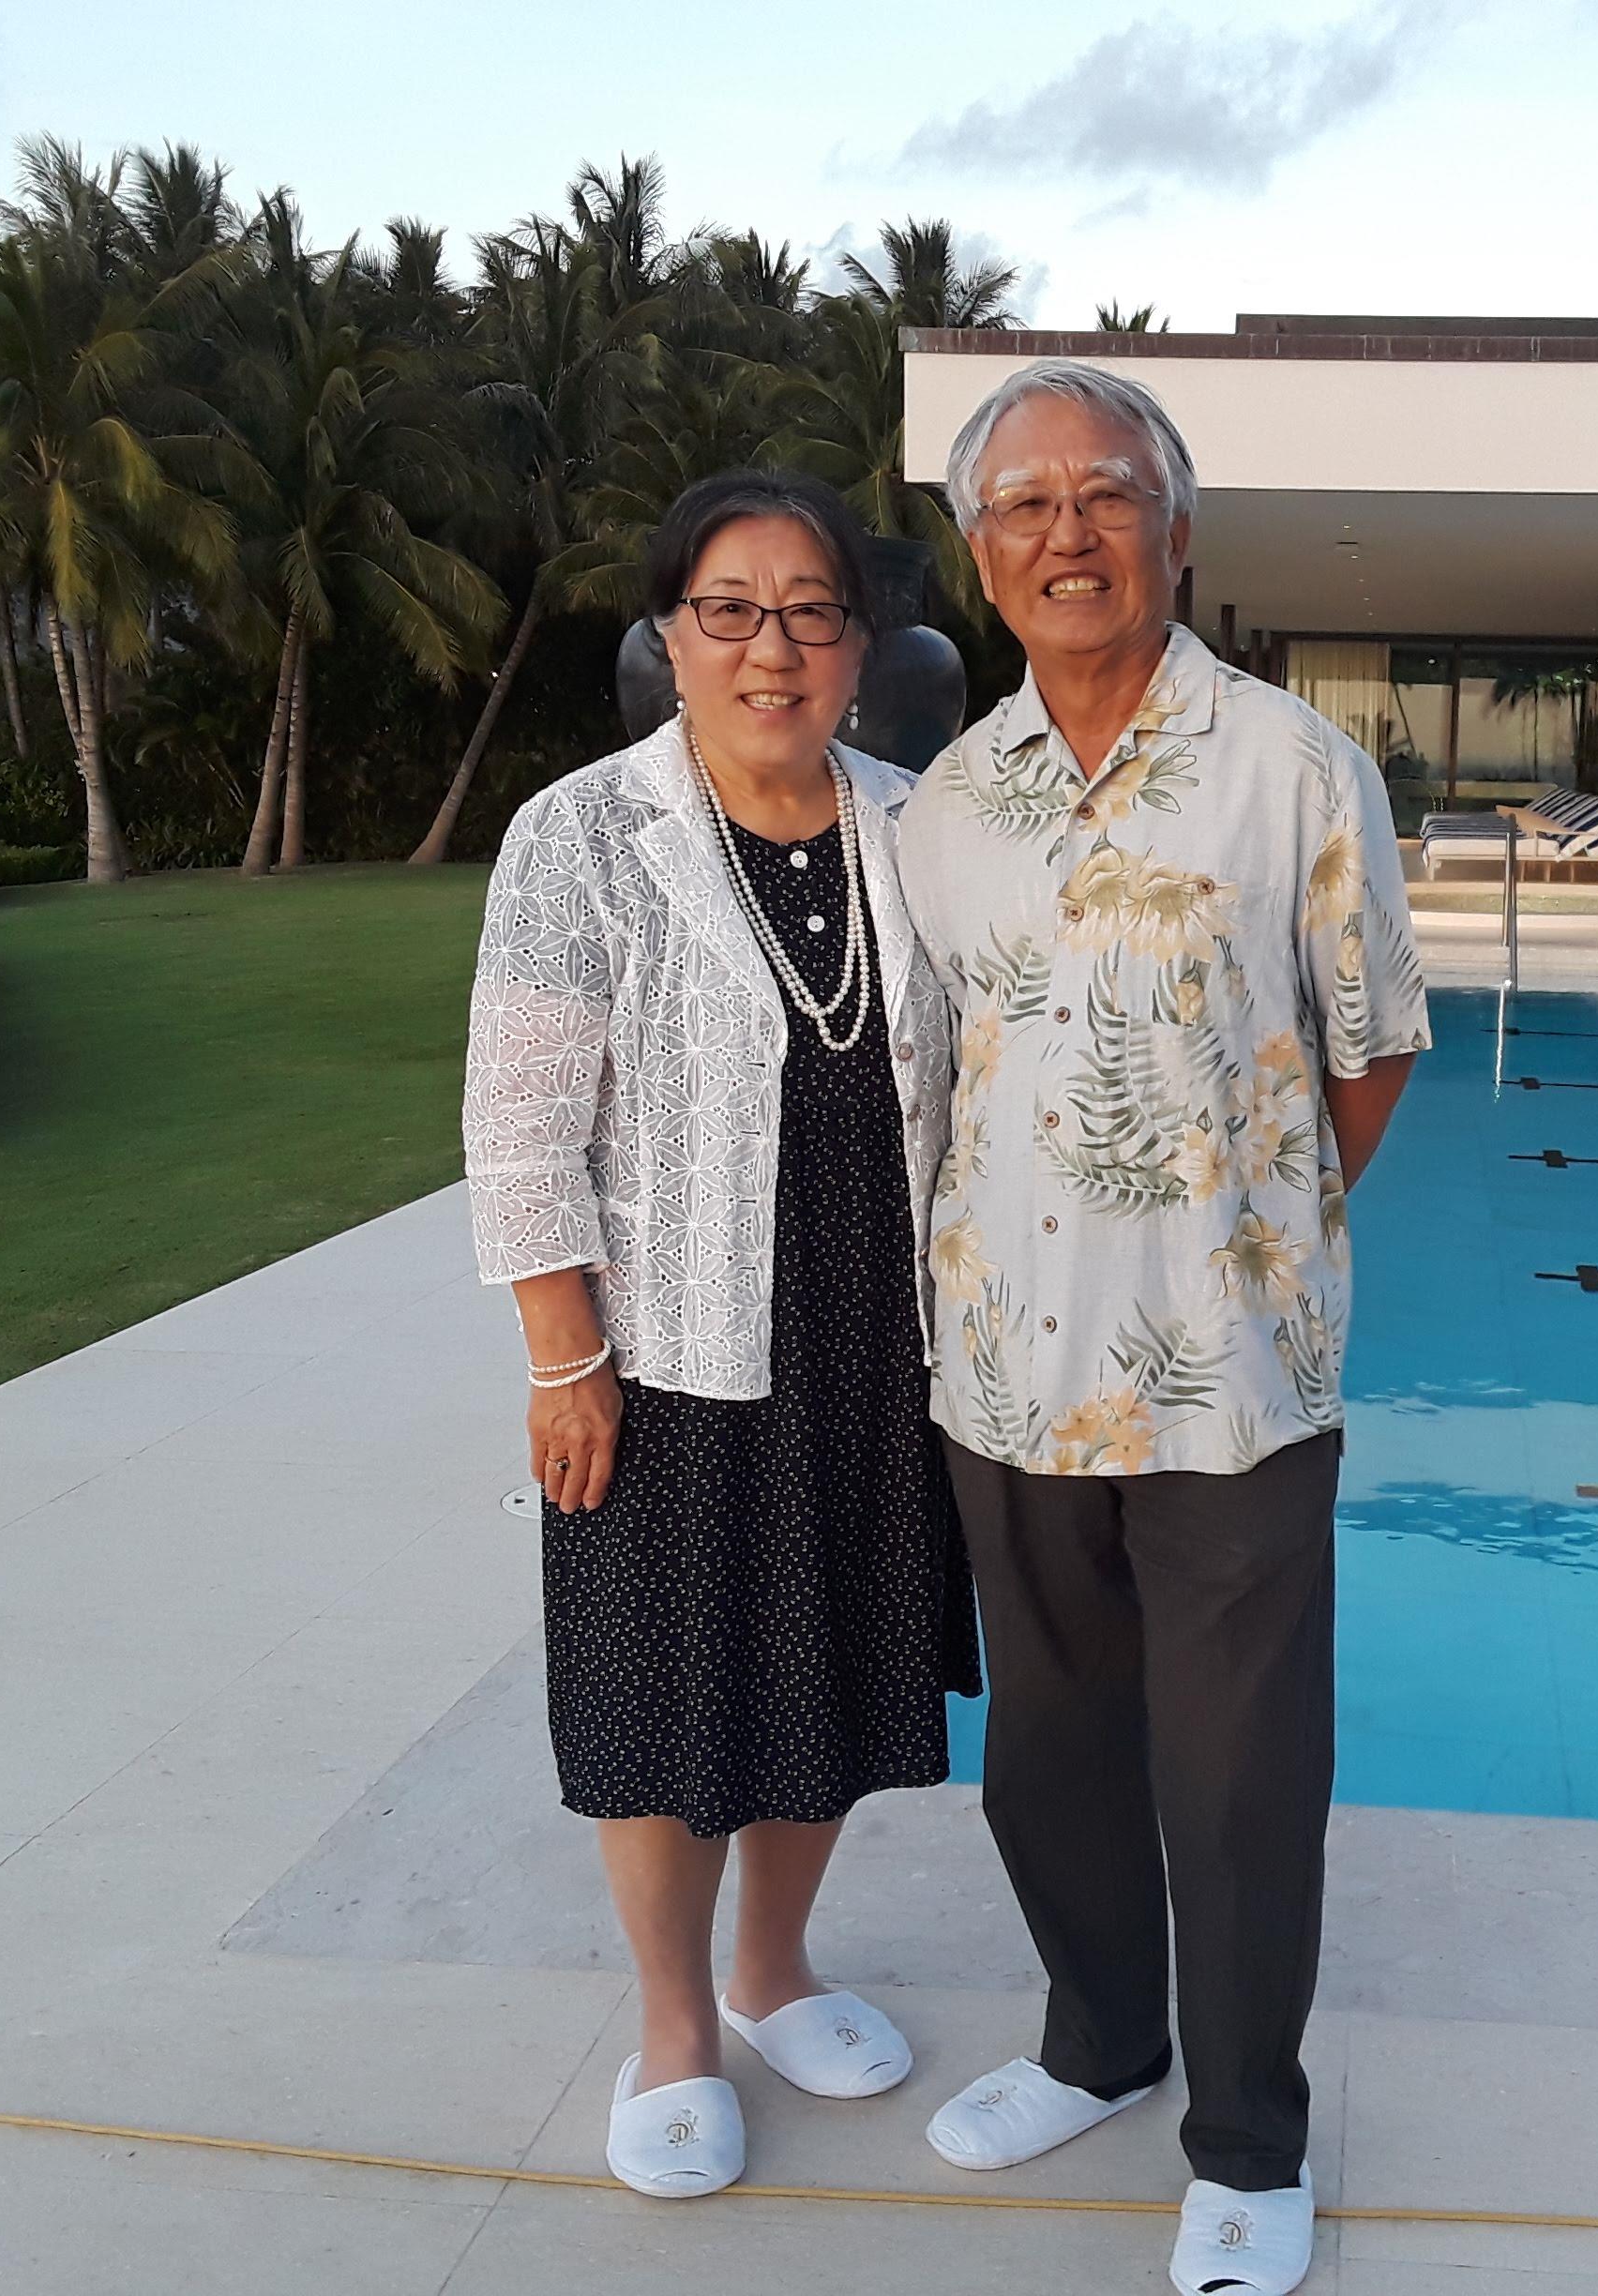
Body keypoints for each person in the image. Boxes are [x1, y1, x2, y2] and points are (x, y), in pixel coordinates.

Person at [897, 361, 1427, 2296]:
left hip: (1236, 1384)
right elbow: (952, 1069)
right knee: (1043, 1762)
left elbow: (1366, 1055)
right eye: (1023, 504)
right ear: (978, 554)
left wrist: (1242, 1235)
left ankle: (1249, 2141)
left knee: (1234, 1775)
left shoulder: (1291, 763)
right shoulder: (949, 800)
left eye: (1103, 494)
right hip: (1002, 1375)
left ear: (1176, 529)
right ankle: (1101, 2044)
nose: (1066, 531)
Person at [462, 469, 975, 2202]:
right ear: (670, 639)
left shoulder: (926, 823)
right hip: (672, 1350)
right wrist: (562, 1355)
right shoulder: (582, 837)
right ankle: (676, 2020)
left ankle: (777, 1969)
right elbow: (522, 1124)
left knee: (826, 1670)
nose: (775, 646)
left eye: (813, 609)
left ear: (863, 641)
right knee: (661, 1689)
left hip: (875, 1344)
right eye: (732, 610)